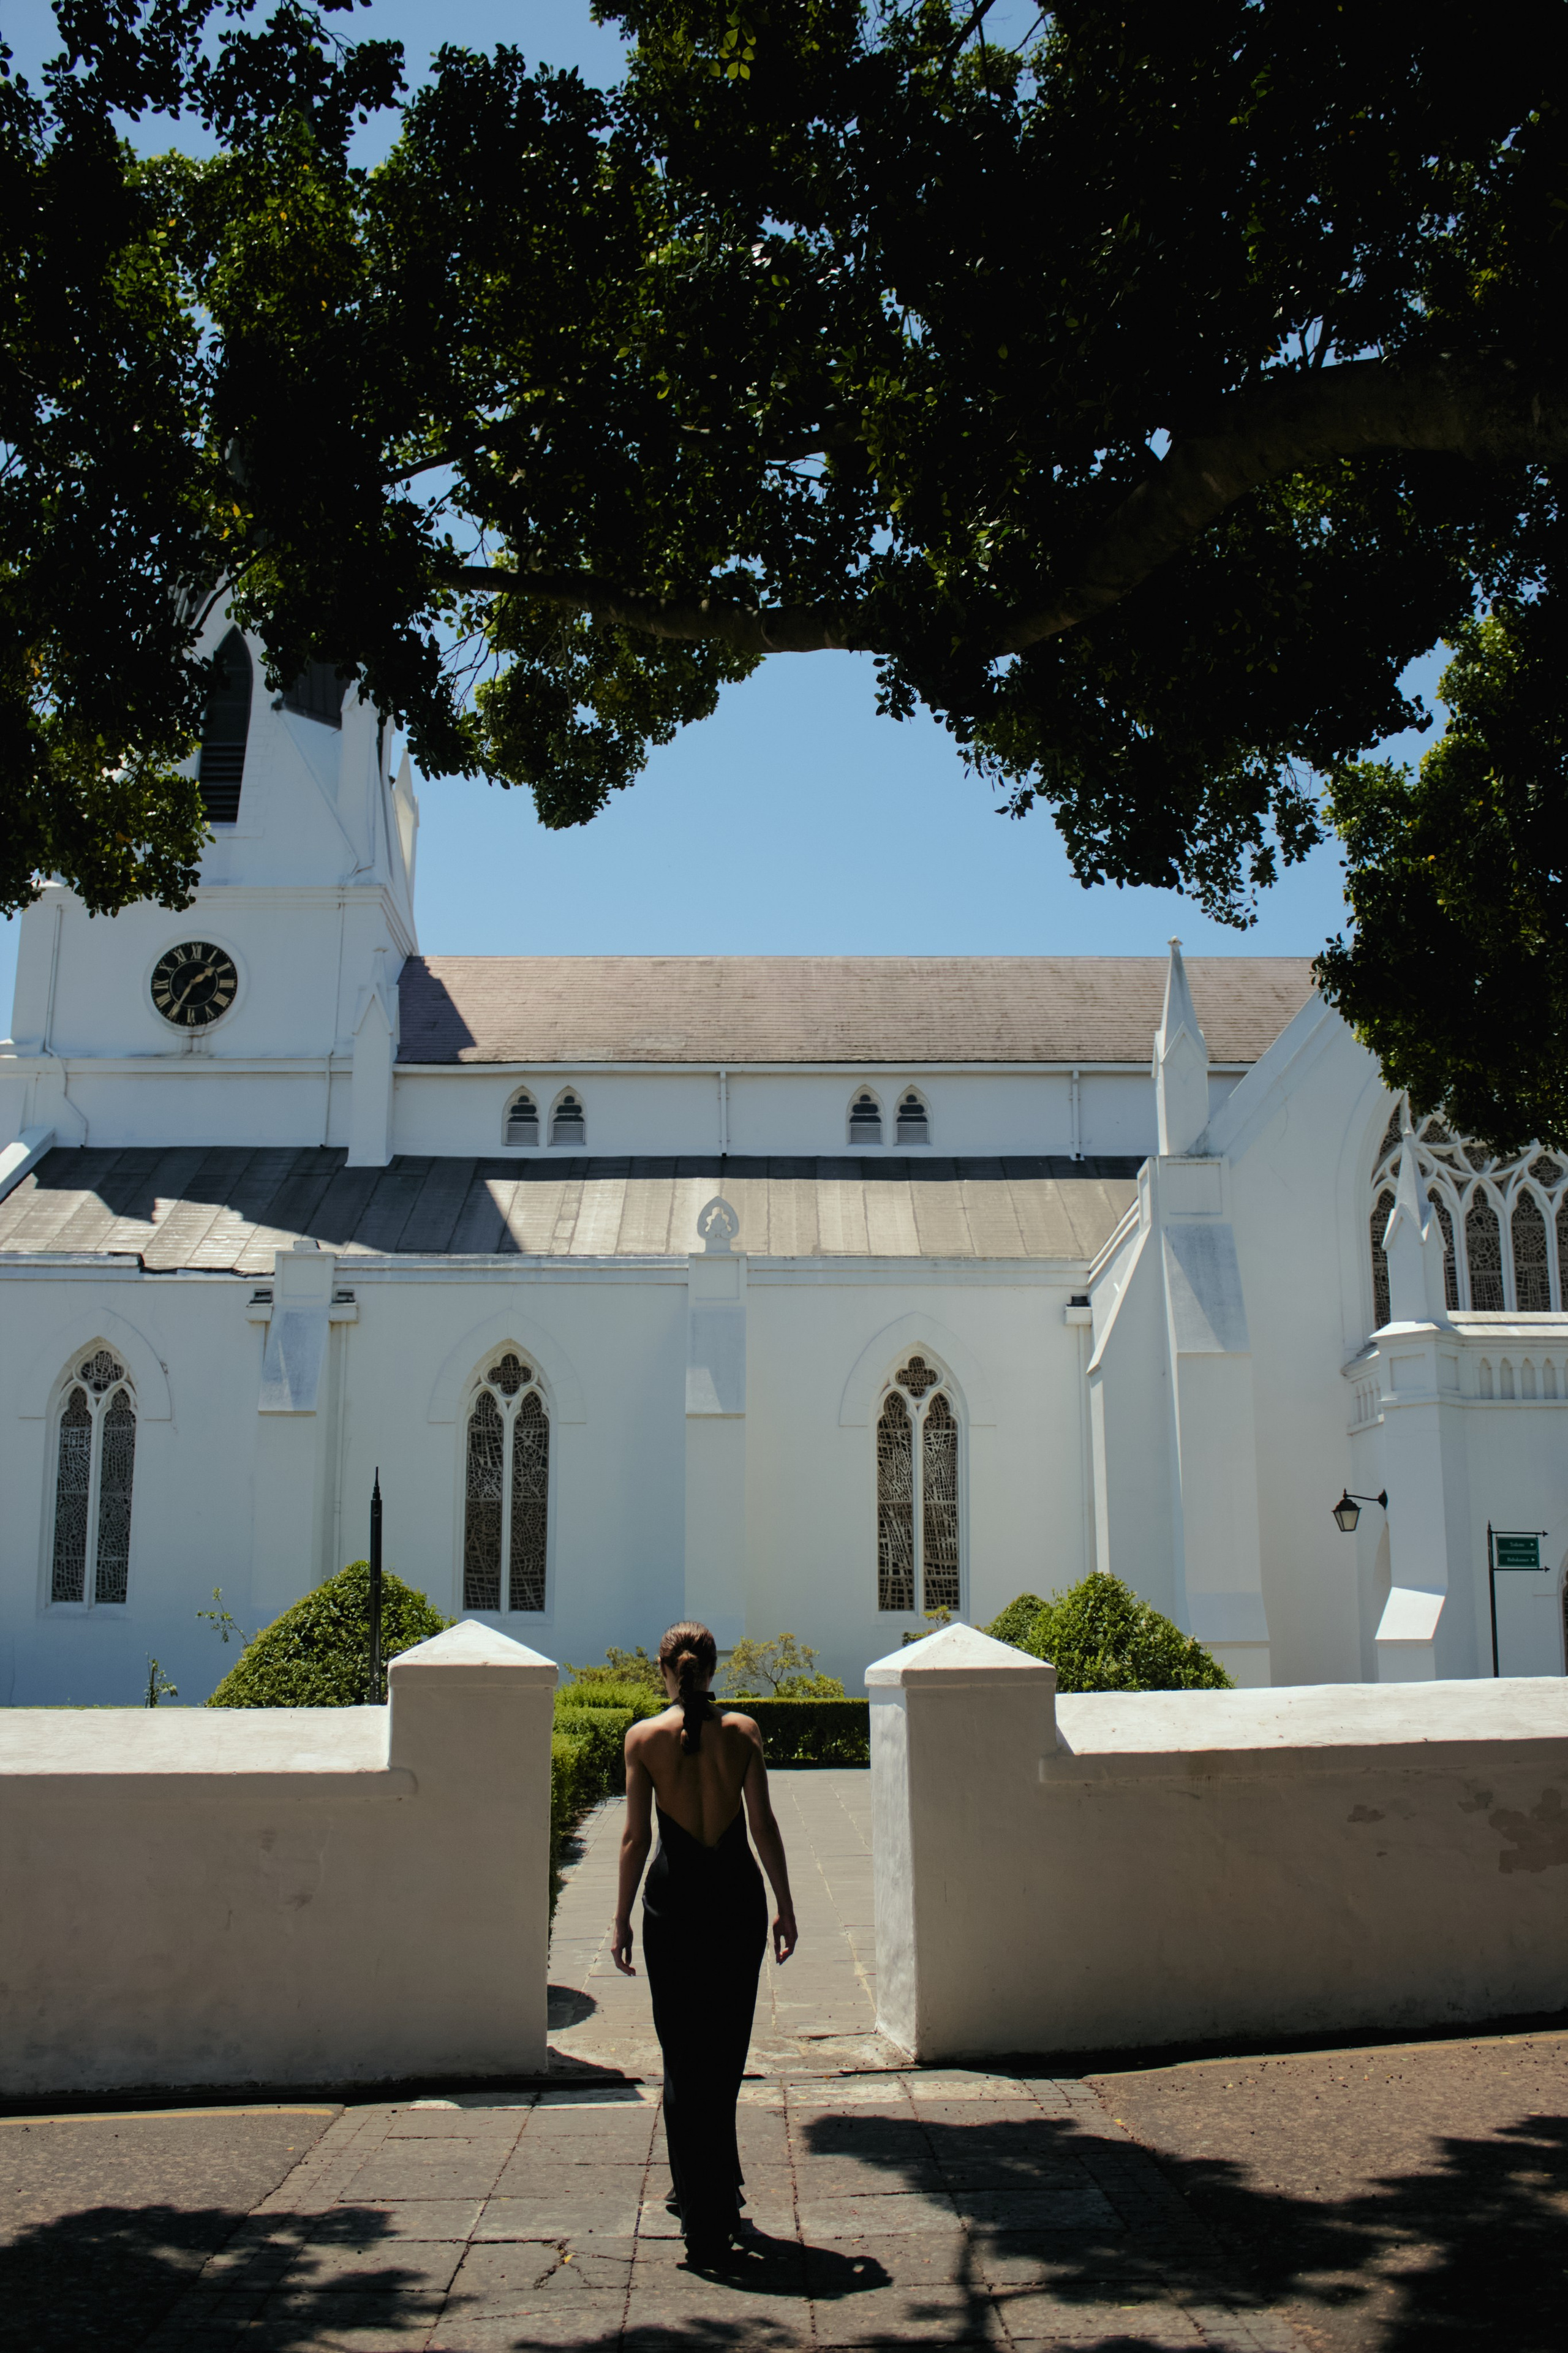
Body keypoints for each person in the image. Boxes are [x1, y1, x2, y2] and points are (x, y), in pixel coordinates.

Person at [611, 1620, 799, 2267]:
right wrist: (785, 1906)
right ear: (713, 1671)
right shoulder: (743, 1733)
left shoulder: (642, 1739)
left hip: (674, 1904)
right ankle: (715, 2189)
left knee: (683, 2057)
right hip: (736, 1901)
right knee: (722, 2055)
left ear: (665, 1672)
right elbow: (763, 1825)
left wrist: (619, 1919)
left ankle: (699, 2202)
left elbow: (636, 1839)